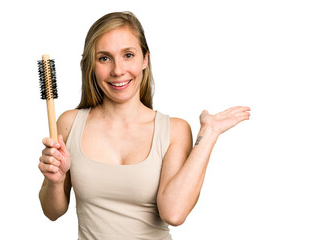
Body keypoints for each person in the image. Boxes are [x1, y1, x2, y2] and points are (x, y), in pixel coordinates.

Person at [38, 11, 250, 240]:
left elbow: (174, 213)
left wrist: (209, 134)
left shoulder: (174, 130)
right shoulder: (70, 123)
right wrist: (55, 181)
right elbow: (53, 212)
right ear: (92, 64)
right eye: (104, 58)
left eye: (128, 55)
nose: (118, 70)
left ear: (145, 60)